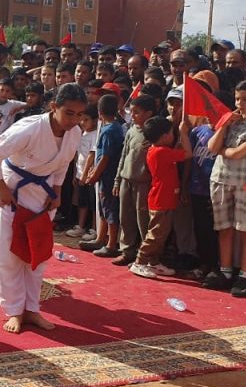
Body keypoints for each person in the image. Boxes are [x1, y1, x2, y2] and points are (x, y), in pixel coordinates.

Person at [0, 83, 86, 334]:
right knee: (10, 253)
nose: (74, 120)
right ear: (54, 107)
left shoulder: (74, 132)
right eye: (69, 113)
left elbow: (64, 163)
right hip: (14, 190)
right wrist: (2, 189)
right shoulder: (30, 127)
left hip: (44, 193)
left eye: (80, 114)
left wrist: (57, 191)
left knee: (37, 252)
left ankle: (31, 308)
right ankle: (14, 310)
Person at [205, 79, 246, 295]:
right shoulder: (231, 121)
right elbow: (212, 147)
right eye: (237, 99)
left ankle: (245, 274)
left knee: (245, 229)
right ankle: (225, 270)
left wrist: (222, 150)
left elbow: (236, 153)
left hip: (244, 182)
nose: (240, 104)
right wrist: (224, 124)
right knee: (223, 227)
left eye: (245, 99)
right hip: (221, 179)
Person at [129, 117, 193, 278]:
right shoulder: (160, 152)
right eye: (171, 133)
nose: (173, 135)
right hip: (161, 199)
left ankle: (153, 262)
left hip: (165, 198)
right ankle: (139, 261)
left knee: (161, 235)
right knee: (155, 234)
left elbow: (178, 152)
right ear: (164, 136)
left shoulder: (159, 150)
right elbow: (188, 154)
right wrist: (184, 133)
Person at [108, 94, 156, 266]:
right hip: (126, 179)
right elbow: (123, 156)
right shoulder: (131, 130)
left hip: (144, 182)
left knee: (143, 220)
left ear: (148, 113)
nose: (133, 115)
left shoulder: (153, 134)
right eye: (132, 111)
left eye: (137, 112)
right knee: (125, 218)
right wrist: (117, 180)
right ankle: (127, 251)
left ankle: (145, 254)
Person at [80, 94, 124, 258]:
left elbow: (105, 157)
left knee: (110, 209)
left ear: (99, 112)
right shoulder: (115, 127)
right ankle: (100, 238)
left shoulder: (109, 130)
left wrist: (94, 175)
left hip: (108, 175)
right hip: (105, 173)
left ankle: (111, 244)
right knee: (103, 208)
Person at [66, 103, 98, 240]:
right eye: (81, 119)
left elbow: (91, 155)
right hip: (80, 174)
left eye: (86, 120)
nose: (83, 122)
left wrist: (85, 175)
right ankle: (80, 226)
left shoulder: (95, 135)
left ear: (95, 120)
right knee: (82, 202)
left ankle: (94, 229)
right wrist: (76, 174)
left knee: (93, 204)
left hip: (90, 176)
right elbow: (78, 155)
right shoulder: (82, 133)